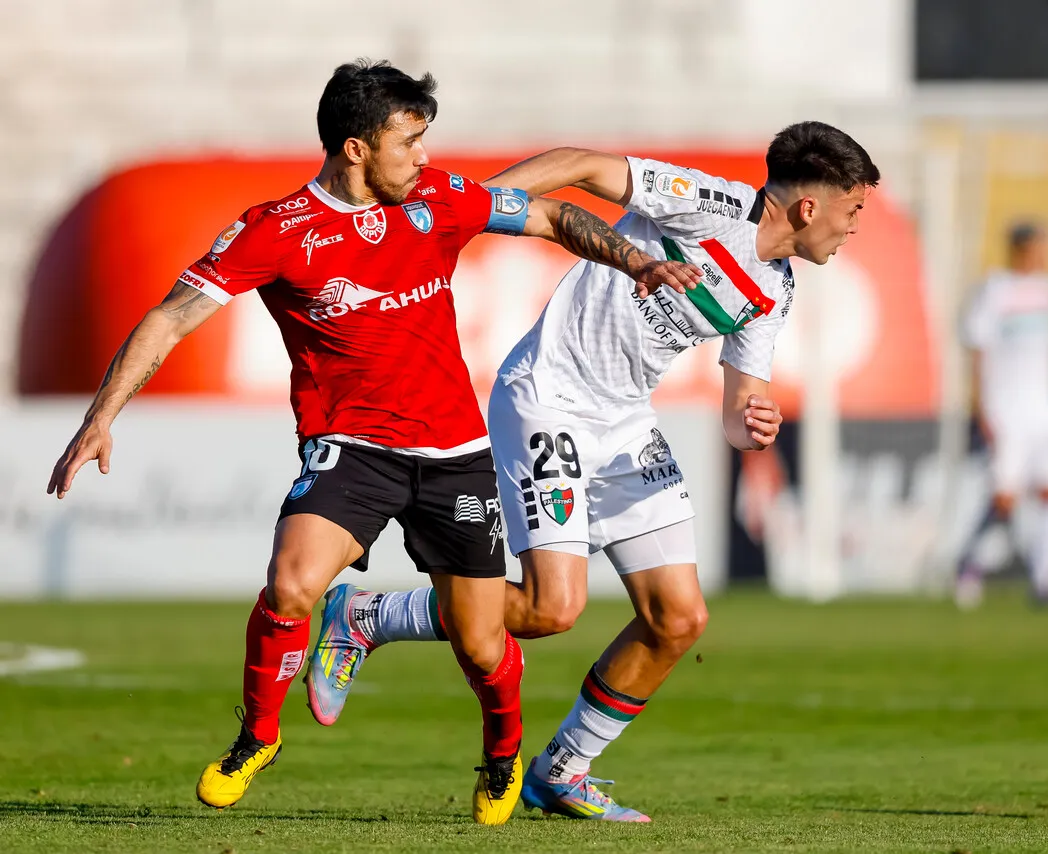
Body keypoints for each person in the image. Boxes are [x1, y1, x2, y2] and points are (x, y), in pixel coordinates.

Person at [45, 59, 700, 824]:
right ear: (355, 148)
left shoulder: (439, 197)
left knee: (484, 642)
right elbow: (169, 316)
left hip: (456, 453)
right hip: (352, 447)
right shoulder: (276, 231)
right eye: (409, 140)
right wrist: (102, 415)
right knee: (291, 584)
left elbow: (553, 216)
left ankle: (502, 751)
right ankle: (257, 736)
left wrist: (637, 260)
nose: (423, 155)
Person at [303, 122, 880, 822]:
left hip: (625, 423)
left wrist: (752, 425)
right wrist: (470, 210)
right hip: (549, 398)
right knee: (553, 610)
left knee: (678, 619)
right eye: (853, 211)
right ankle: (369, 613)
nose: (855, 229)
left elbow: (738, 408)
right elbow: (578, 165)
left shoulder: (775, 289)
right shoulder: (710, 204)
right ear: (811, 207)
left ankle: (562, 770)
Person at [954, 223, 1048, 609]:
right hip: (1006, 409)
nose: (1045, 256)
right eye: (1040, 248)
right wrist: (981, 406)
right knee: (1005, 499)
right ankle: (970, 565)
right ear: (1021, 249)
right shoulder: (995, 290)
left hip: (1045, 409)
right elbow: (979, 351)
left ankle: (1047, 581)